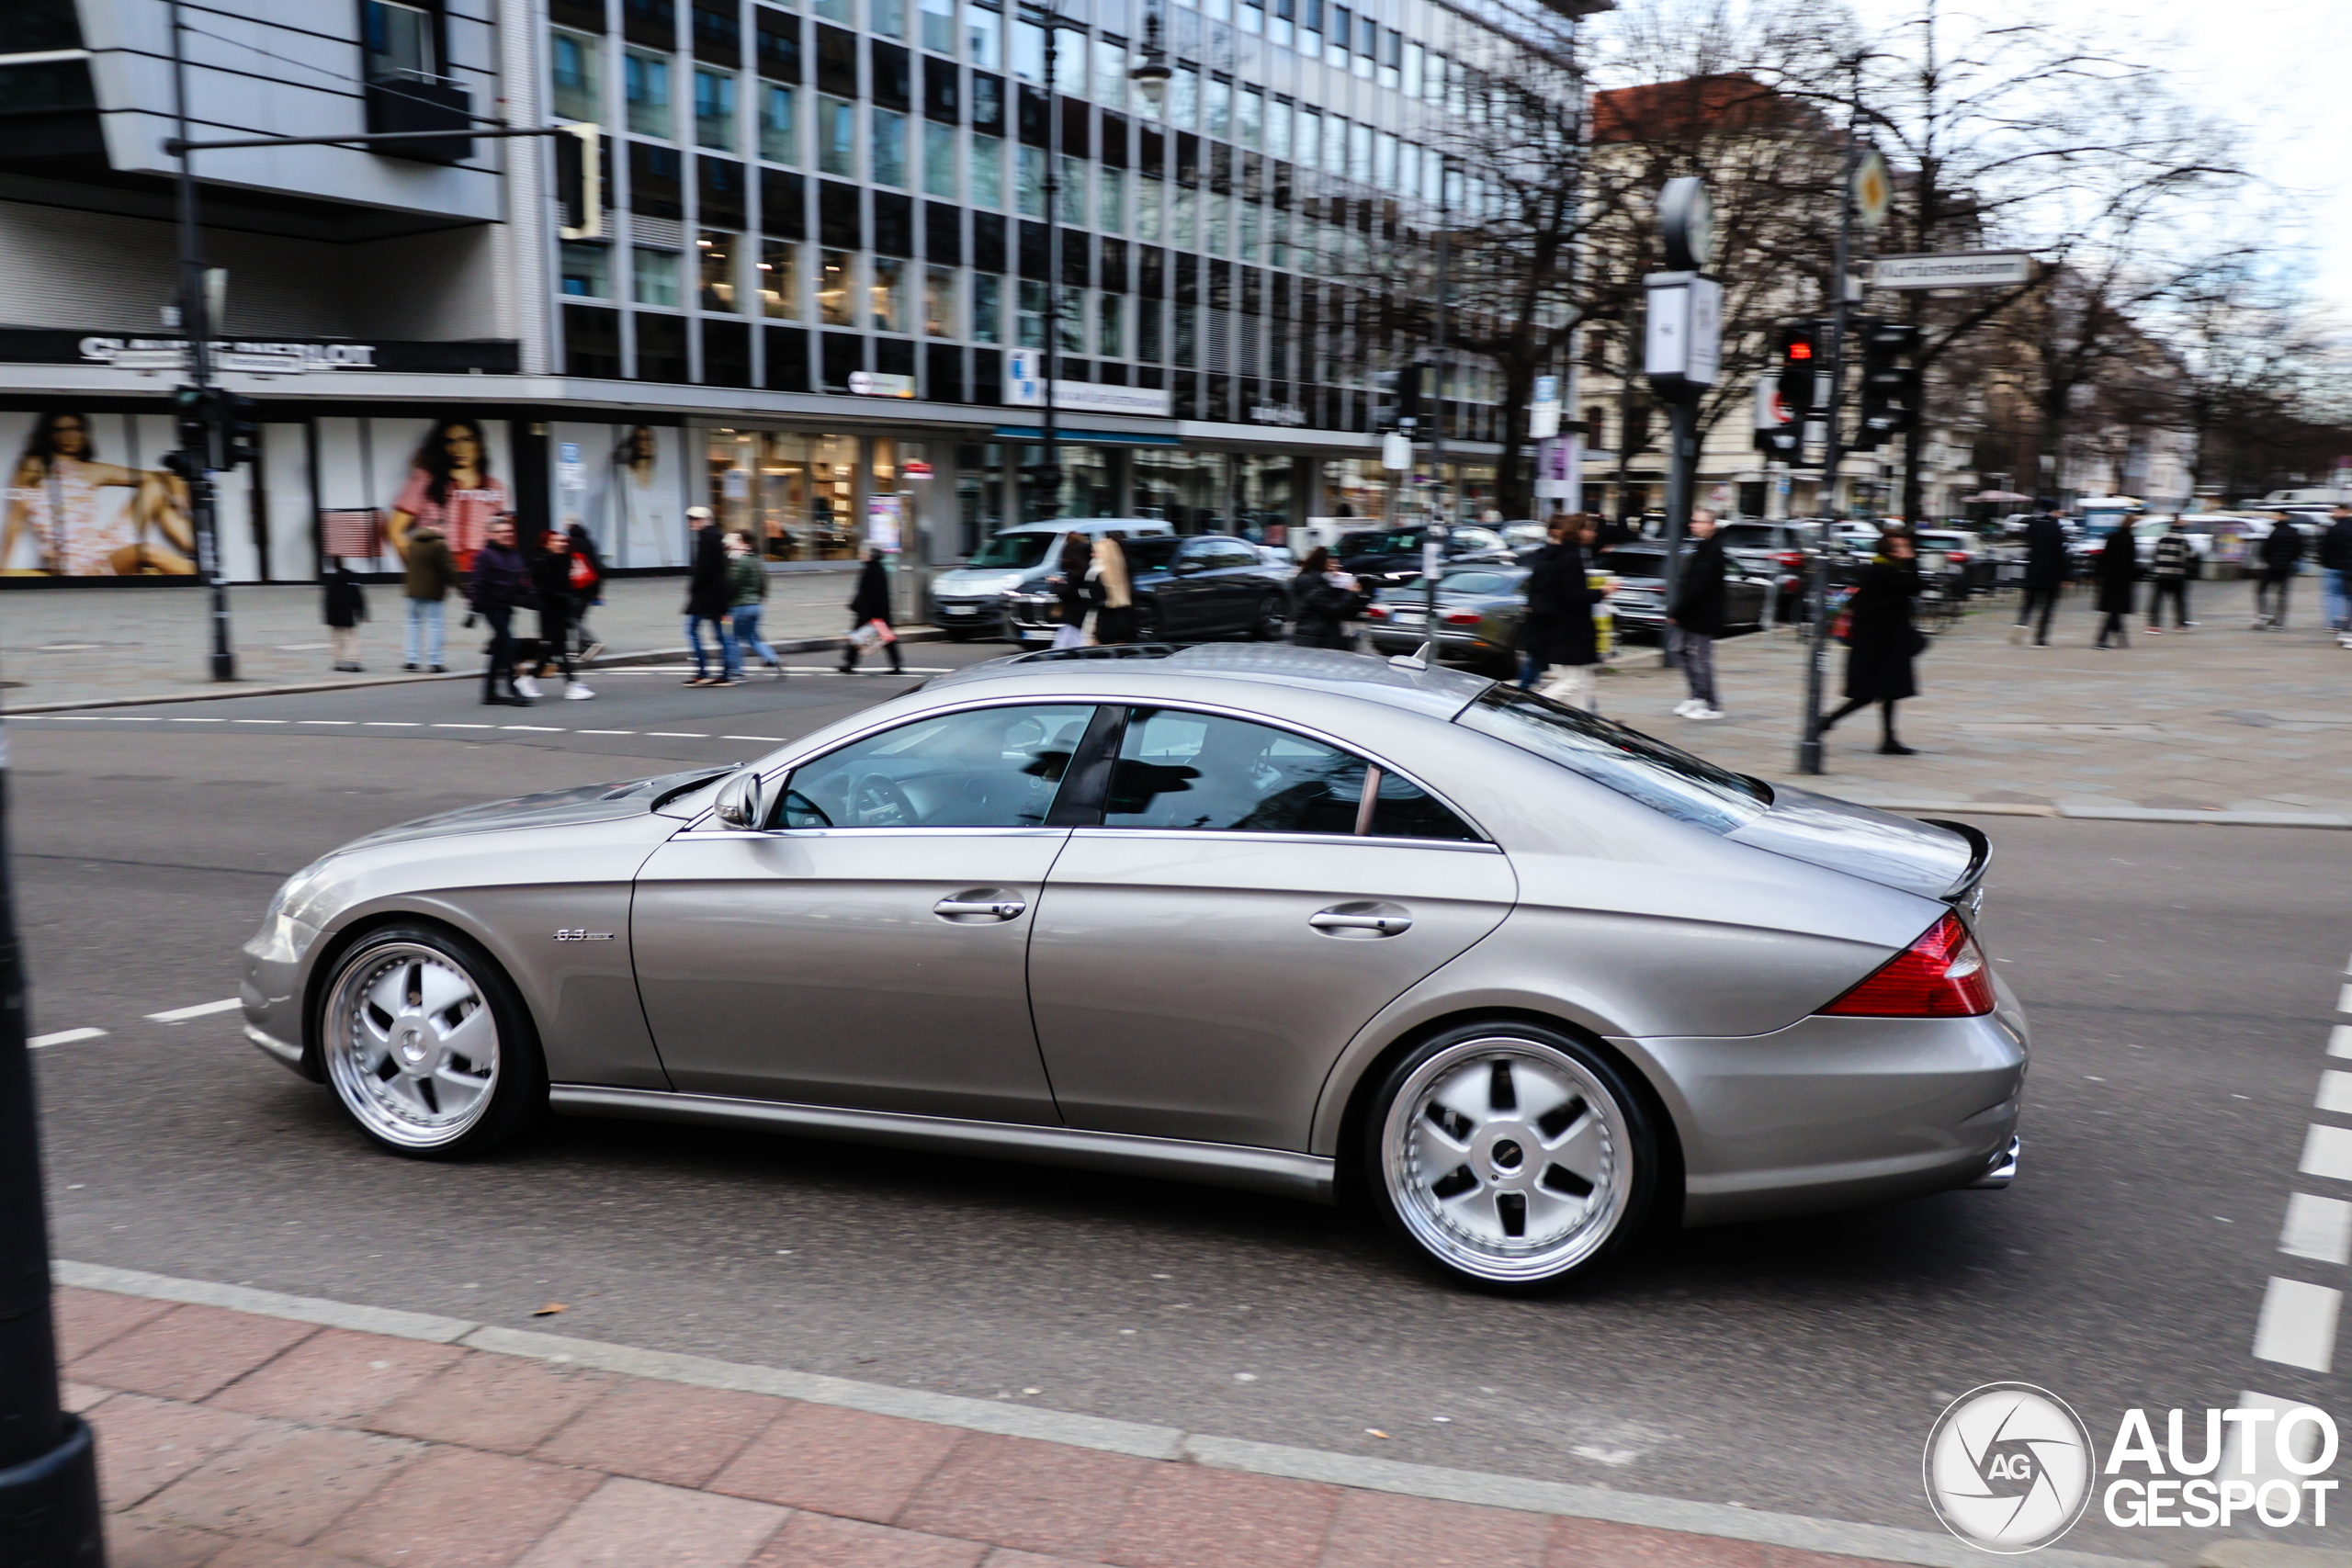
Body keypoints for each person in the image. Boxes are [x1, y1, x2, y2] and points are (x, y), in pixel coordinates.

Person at [1, 411, 195, 576]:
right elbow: (15, 520)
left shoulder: (91, 470)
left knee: (156, 486)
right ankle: (204, 574)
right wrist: (2, 568)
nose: (68, 436)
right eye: (60, 430)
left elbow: (160, 476)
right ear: (48, 435)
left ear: (84, 434)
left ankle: (197, 548)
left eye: (75, 429)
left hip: (102, 545)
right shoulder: (32, 466)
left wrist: (179, 499)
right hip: (78, 566)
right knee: (147, 551)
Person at [1819, 529, 1923, 755]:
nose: (1906, 549)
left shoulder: (1885, 569)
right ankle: (1824, 722)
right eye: (1900, 546)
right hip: (1877, 644)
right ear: (1889, 549)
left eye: (1906, 545)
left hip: (1884, 642)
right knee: (1868, 694)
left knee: (1889, 692)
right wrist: (1911, 559)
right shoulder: (1883, 571)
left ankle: (1889, 740)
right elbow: (1914, 586)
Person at [386, 416, 509, 572]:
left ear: (480, 441)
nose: (459, 449)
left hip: (483, 572)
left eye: (467, 439)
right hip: (438, 567)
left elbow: (503, 536)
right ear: (441, 446)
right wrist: (419, 573)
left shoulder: (494, 486)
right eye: (450, 441)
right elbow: (394, 530)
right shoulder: (425, 480)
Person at [1523, 515, 1605, 709]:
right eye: (1589, 529)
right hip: (1570, 633)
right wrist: (1602, 592)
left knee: (1583, 685)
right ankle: (1531, 709)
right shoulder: (1570, 558)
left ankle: (1584, 726)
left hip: (1562, 631)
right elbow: (1573, 596)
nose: (1593, 533)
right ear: (1577, 531)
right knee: (1574, 682)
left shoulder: (1558, 555)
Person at [467, 515, 537, 706]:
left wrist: (533, 597)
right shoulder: (485, 555)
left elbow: (523, 581)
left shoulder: (514, 555)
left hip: (506, 607)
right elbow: (477, 583)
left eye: (508, 531)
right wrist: (474, 609)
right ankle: (513, 690)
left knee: (500, 647)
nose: (505, 535)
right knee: (508, 644)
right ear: (490, 534)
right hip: (491, 606)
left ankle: (490, 693)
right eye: (499, 532)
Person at [519, 528, 594, 700]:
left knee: (551, 647)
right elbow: (542, 588)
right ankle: (571, 684)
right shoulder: (540, 561)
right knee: (559, 648)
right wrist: (564, 596)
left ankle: (528, 678)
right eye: (557, 541)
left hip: (562, 608)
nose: (562, 544)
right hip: (548, 609)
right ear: (546, 544)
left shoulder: (565, 559)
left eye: (563, 541)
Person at [1666, 508, 1725, 720]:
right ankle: (1697, 694)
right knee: (1677, 649)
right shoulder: (1702, 547)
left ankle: (1712, 704)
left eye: (1698, 522)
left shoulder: (1713, 552)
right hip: (1691, 613)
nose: (1693, 525)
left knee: (1701, 658)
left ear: (1711, 525)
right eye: (1693, 521)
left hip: (1701, 615)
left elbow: (1699, 588)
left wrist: (1678, 611)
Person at [683, 505, 737, 685]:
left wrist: (693, 588)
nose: (692, 523)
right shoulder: (716, 538)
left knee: (691, 631)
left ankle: (702, 671)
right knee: (724, 636)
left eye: (696, 519)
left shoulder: (706, 539)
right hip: (721, 600)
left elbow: (703, 570)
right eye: (691, 520)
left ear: (706, 520)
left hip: (705, 599)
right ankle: (726, 673)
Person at [2009, 500, 2069, 647]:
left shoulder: (2033, 525)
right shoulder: (2056, 528)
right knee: (2048, 606)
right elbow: (2060, 554)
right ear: (2054, 511)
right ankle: (2040, 637)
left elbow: (2028, 545)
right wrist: (2064, 576)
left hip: (2034, 572)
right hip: (2051, 574)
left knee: (2029, 603)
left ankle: (2020, 627)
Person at [399, 520, 457, 671]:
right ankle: (434, 661)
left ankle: (411, 660)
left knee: (412, 624)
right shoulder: (439, 545)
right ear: (438, 528)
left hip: (413, 591)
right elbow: (449, 569)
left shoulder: (412, 542)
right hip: (433, 591)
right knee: (434, 625)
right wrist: (462, 588)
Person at [1288, 546, 1368, 649]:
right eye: (1331, 562)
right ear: (1322, 561)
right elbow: (1333, 608)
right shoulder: (1313, 583)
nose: (1334, 565)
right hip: (1317, 639)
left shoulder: (1312, 578)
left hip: (1313, 636)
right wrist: (1350, 592)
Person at [726, 531, 783, 673]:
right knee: (752, 636)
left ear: (744, 543)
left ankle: (736, 671)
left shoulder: (741, 561)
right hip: (756, 606)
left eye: (737, 540)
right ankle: (772, 658)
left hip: (738, 607)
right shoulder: (757, 560)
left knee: (730, 637)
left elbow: (732, 583)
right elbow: (764, 583)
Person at [840, 545, 903, 673]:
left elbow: (865, 593)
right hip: (878, 611)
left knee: (856, 636)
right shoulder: (878, 569)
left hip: (870, 612)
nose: (860, 555)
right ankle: (896, 664)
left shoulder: (870, 570)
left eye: (863, 553)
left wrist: (855, 605)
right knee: (886, 638)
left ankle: (849, 664)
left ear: (870, 556)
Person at [565, 520, 606, 662]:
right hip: (589, 586)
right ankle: (580, 645)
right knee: (578, 617)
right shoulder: (590, 544)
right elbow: (598, 568)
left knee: (571, 618)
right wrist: (597, 592)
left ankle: (589, 642)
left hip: (576, 587)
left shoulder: (570, 545)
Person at [2145, 516, 2195, 634]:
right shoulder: (2182, 539)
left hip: (2161, 573)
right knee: (2179, 600)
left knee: (2157, 599)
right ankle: (2180, 623)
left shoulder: (2162, 537)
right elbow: (2186, 557)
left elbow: (2155, 554)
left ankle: (2153, 624)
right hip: (2176, 574)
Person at [2255, 514, 2304, 629]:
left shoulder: (2274, 533)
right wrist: (2290, 560)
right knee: (2282, 594)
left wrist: (2268, 561)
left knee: (2261, 590)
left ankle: (2264, 615)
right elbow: (2299, 550)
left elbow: (2265, 550)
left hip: (2272, 566)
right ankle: (2279, 622)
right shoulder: (2295, 533)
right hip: (2286, 567)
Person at [2091, 527, 2138, 649]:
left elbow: (2104, 556)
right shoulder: (2129, 539)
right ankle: (2103, 639)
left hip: (2109, 579)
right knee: (2115, 610)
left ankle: (2117, 638)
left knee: (2114, 610)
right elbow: (2131, 560)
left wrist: (2097, 574)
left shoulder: (2112, 537)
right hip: (2122, 579)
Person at [1090, 532, 1136, 645]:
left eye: (1095, 552)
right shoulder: (1121, 573)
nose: (1092, 555)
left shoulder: (1096, 573)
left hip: (1103, 626)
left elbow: (1091, 599)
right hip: (1123, 624)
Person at [1048, 530, 1093, 649]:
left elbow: (1069, 592)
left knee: (1064, 647)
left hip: (1074, 616)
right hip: (1081, 617)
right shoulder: (1087, 563)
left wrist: (1056, 585)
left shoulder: (1074, 570)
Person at [322, 559, 368, 672]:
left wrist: (327, 617)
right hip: (348, 614)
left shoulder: (331, 581)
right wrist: (361, 613)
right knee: (351, 638)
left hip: (335, 616)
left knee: (336, 639)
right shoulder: (351, 580)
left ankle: (338, 662)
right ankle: (353, 661)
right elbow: (358, 599)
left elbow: (327, 601)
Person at [2319, 504, 2352, 648]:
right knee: (2349, 597)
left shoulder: (2333, 529)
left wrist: (2325, 563)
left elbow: (2324, 548)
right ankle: (2348, 624)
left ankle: (2335, 622)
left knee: (2334, 595)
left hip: (2334, 567)